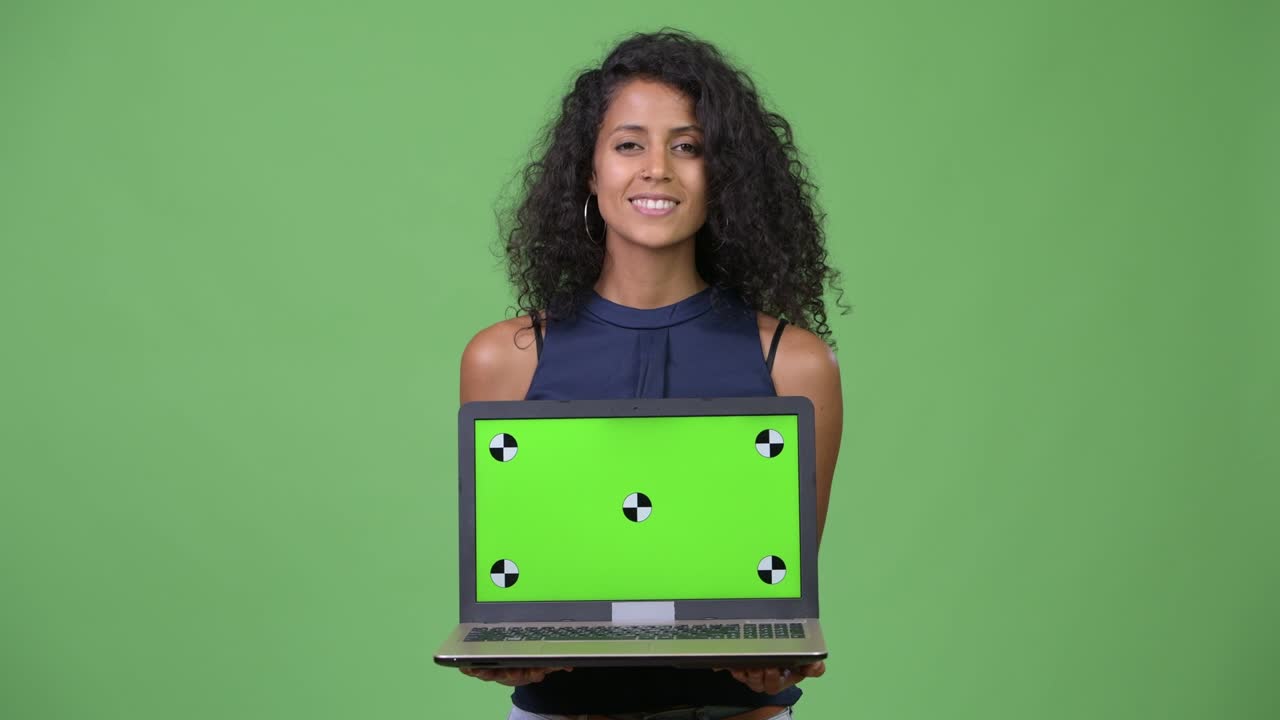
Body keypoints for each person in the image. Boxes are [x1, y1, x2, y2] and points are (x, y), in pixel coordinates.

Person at [458, 28, 844, 720]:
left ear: (721, 174)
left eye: (688, 146)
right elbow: (507, 591)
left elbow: (781, 598)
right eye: (629, 144)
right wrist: (507, 648)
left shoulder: (795, 364)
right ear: (589, 170)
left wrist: (777, 657)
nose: (657, 169)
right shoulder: (502, 359)